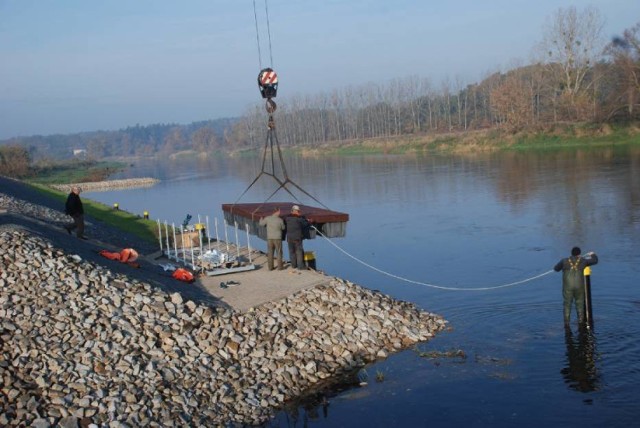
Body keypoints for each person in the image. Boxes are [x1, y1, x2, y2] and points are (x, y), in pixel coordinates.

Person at [554, 247, 598, 327]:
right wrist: (592, 254)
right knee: (579, 304)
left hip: (568, 288)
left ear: (571, 253)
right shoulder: (583, 261)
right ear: (579, 254)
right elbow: (595, 261)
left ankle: (566, 324)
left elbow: (556, 269)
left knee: (567, 305)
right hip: (579, 287)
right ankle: (580, 322)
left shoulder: (564, 261)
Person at [259, 206, 285, 271]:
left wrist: (261, 218)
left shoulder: (267, 218)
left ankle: (270, 268)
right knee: (279, 253)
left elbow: (261, 224)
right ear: (277, 211)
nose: (280, 212)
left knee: (270, 253)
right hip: (277, 238)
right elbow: (283, 228)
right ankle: (280, 267)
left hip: (269, 238)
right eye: (279, 211)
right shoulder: (280, 220)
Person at [284, 205, 309, 270]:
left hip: (289, 238)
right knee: (299, 252)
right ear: (294, 211)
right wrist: (309, 221)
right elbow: (305, 224)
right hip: (297, 238)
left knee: (291, 252)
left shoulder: (287, 218)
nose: (299, 212)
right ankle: (300, 266)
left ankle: (293, 265)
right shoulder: (299, 219)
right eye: (298, 211)